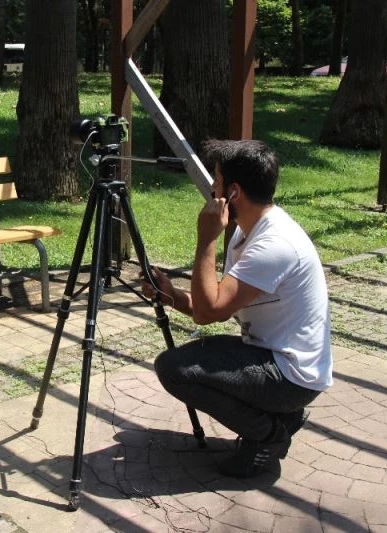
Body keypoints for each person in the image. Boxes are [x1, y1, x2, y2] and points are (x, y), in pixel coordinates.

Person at [143, 140, 332, 478]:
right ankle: (280, 415)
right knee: (191, 359)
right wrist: (172, 296)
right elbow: (218, 305)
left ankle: (270, 433)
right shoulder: (251, 231)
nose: (211, 189)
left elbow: (209, 313)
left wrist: (207, 238)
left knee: (174, 368)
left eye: (216, 181)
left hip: (292, 377)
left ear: (233, 192)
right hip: (274, 358)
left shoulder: (274, 245)